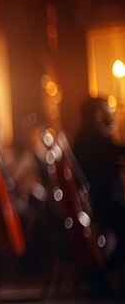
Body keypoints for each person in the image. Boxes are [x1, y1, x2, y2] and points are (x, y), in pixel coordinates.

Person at [73, 96, 125, 296]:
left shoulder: (92, 135)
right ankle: (99, 274)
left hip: (105, 199)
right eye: (106, 110)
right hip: (101, 201)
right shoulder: (90, 136)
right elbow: (113, 152)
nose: (110, 114)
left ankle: (101, 275)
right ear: (97, 114)